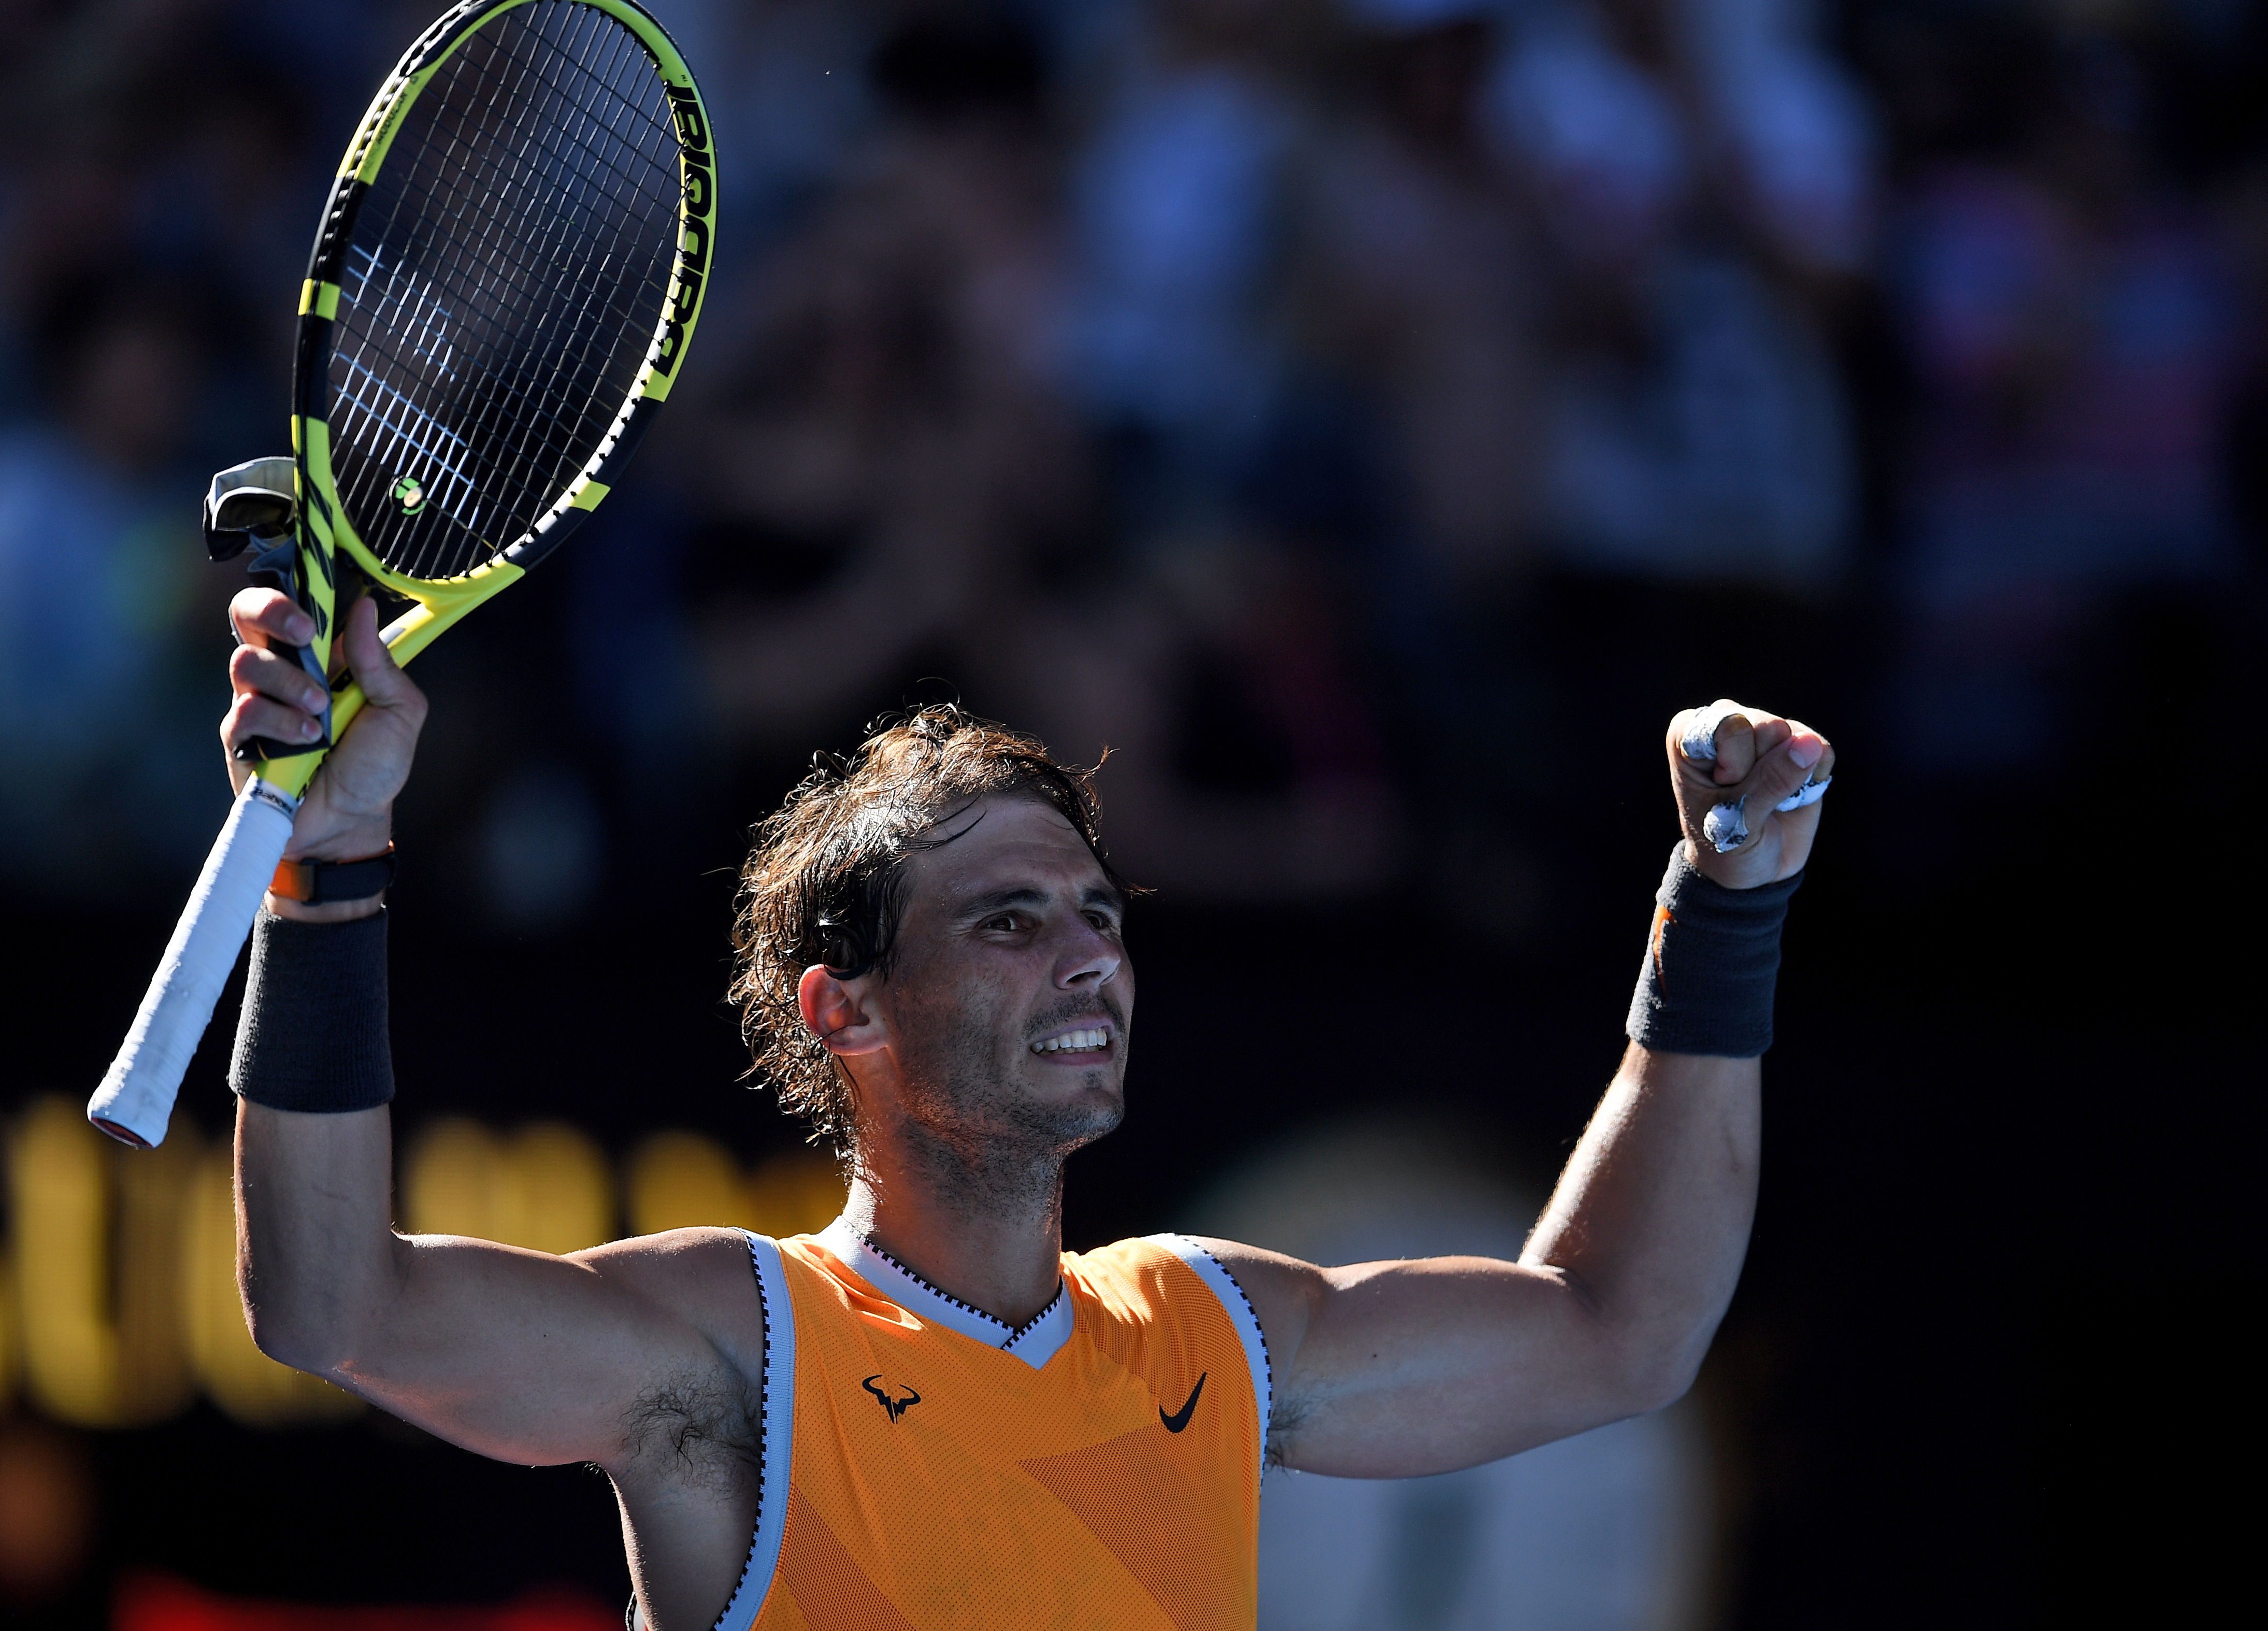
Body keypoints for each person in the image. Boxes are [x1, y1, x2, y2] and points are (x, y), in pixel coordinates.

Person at [217, 585, 1832, 1629]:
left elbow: (1622, 1328)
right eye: (1007, 920)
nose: (1087, 959)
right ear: (844, 1008)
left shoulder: (1209, 1331)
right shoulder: (743, 1348)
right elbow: (329, 1300)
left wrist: (1725, 909)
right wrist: (330, 863)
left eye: (1097, 915)